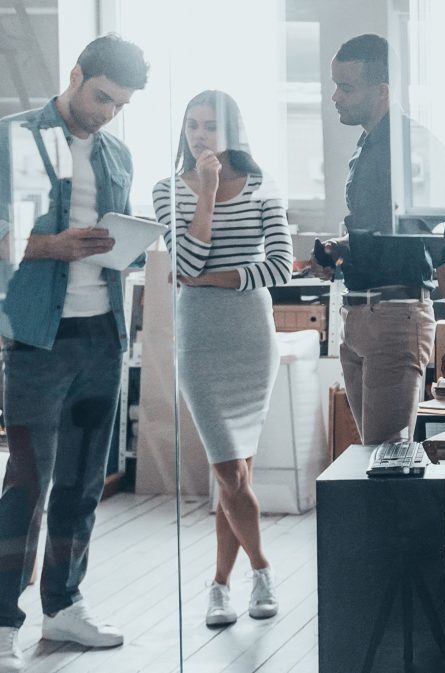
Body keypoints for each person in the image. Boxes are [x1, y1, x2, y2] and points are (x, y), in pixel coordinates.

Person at [0, 34, 148, 671]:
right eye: (101, 97)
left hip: (103, 338)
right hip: (37, 339)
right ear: (75, 74)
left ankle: (64, 606)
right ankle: (4, 617)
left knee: (84, 482)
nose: (107, 112)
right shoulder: (16, 138)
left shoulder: (117, 153)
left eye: (119, 104)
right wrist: (48, 247)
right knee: (25, 486)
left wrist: (131, 246)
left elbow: (116, 239)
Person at [152, 90, 292, 628]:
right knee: (231, 471)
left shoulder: (262, 186)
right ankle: (262, 568)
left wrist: (210, 280)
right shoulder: (168, 189)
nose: (199, 135)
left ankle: (218, 586)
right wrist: (206, 191)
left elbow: (279, 267)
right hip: (201, 338)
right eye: (191, 125)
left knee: (234, 476)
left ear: (233, 131)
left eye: (210, 126)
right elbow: (183, 256)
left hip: (251, 336)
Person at [310, 34, 445, 444]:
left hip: (394, 318)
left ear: (382, 91)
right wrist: (336, 250)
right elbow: (380, 239)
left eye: (346, 87)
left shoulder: (417, 151)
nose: (335, 97)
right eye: (334, 84)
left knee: (386, 460)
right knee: (373, 457)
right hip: (357, 317)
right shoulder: (368, 147)